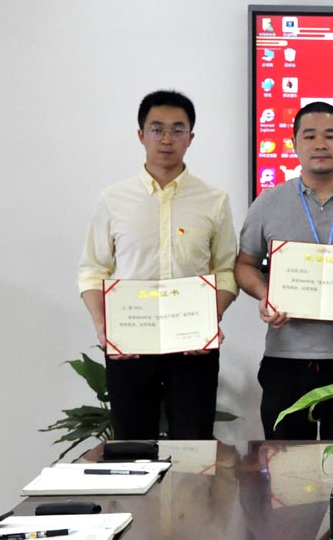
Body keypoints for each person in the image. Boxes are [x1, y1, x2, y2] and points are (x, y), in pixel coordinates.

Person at [77, 90, 238, 440]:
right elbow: (93, 270)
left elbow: (225, 271)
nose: (167, 139)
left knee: (194, 447)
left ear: (190, 137)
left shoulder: (214, 199)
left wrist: (210, 317)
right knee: (133, 447)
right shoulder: (113, 200)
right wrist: (103, 326)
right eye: (157, 129)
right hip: (130, 346)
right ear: (141, 135)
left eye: (178, 130)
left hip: (193, 346)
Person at [236, 101, 333, 440]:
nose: (320, 144)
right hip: (286, 357)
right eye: (309, 136)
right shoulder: (268, 202)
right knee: (286, 463)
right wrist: (266, 295)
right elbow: (245, 265)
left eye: (330, 136)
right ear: (294, 144)